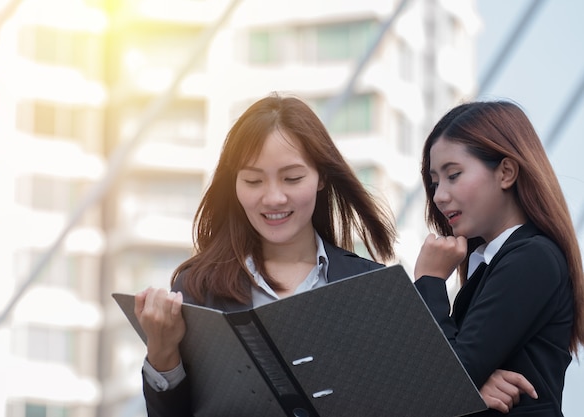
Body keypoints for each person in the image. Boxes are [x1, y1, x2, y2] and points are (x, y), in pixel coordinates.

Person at [134, 92, 397, 416]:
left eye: (292, 178)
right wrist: (162, 352)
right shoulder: (198, 289)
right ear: (235, 185)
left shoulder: (371, 287)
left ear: (321, 177)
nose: (273, 198)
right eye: (254, 180)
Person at [413, 100, 584, 416]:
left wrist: (430, 281)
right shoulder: (495, 263)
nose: (438, 196)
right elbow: (453, 377)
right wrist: (475, 386)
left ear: (506, 172)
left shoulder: (533, 258)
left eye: (454, 175)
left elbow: (446, 381)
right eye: (435, 182)